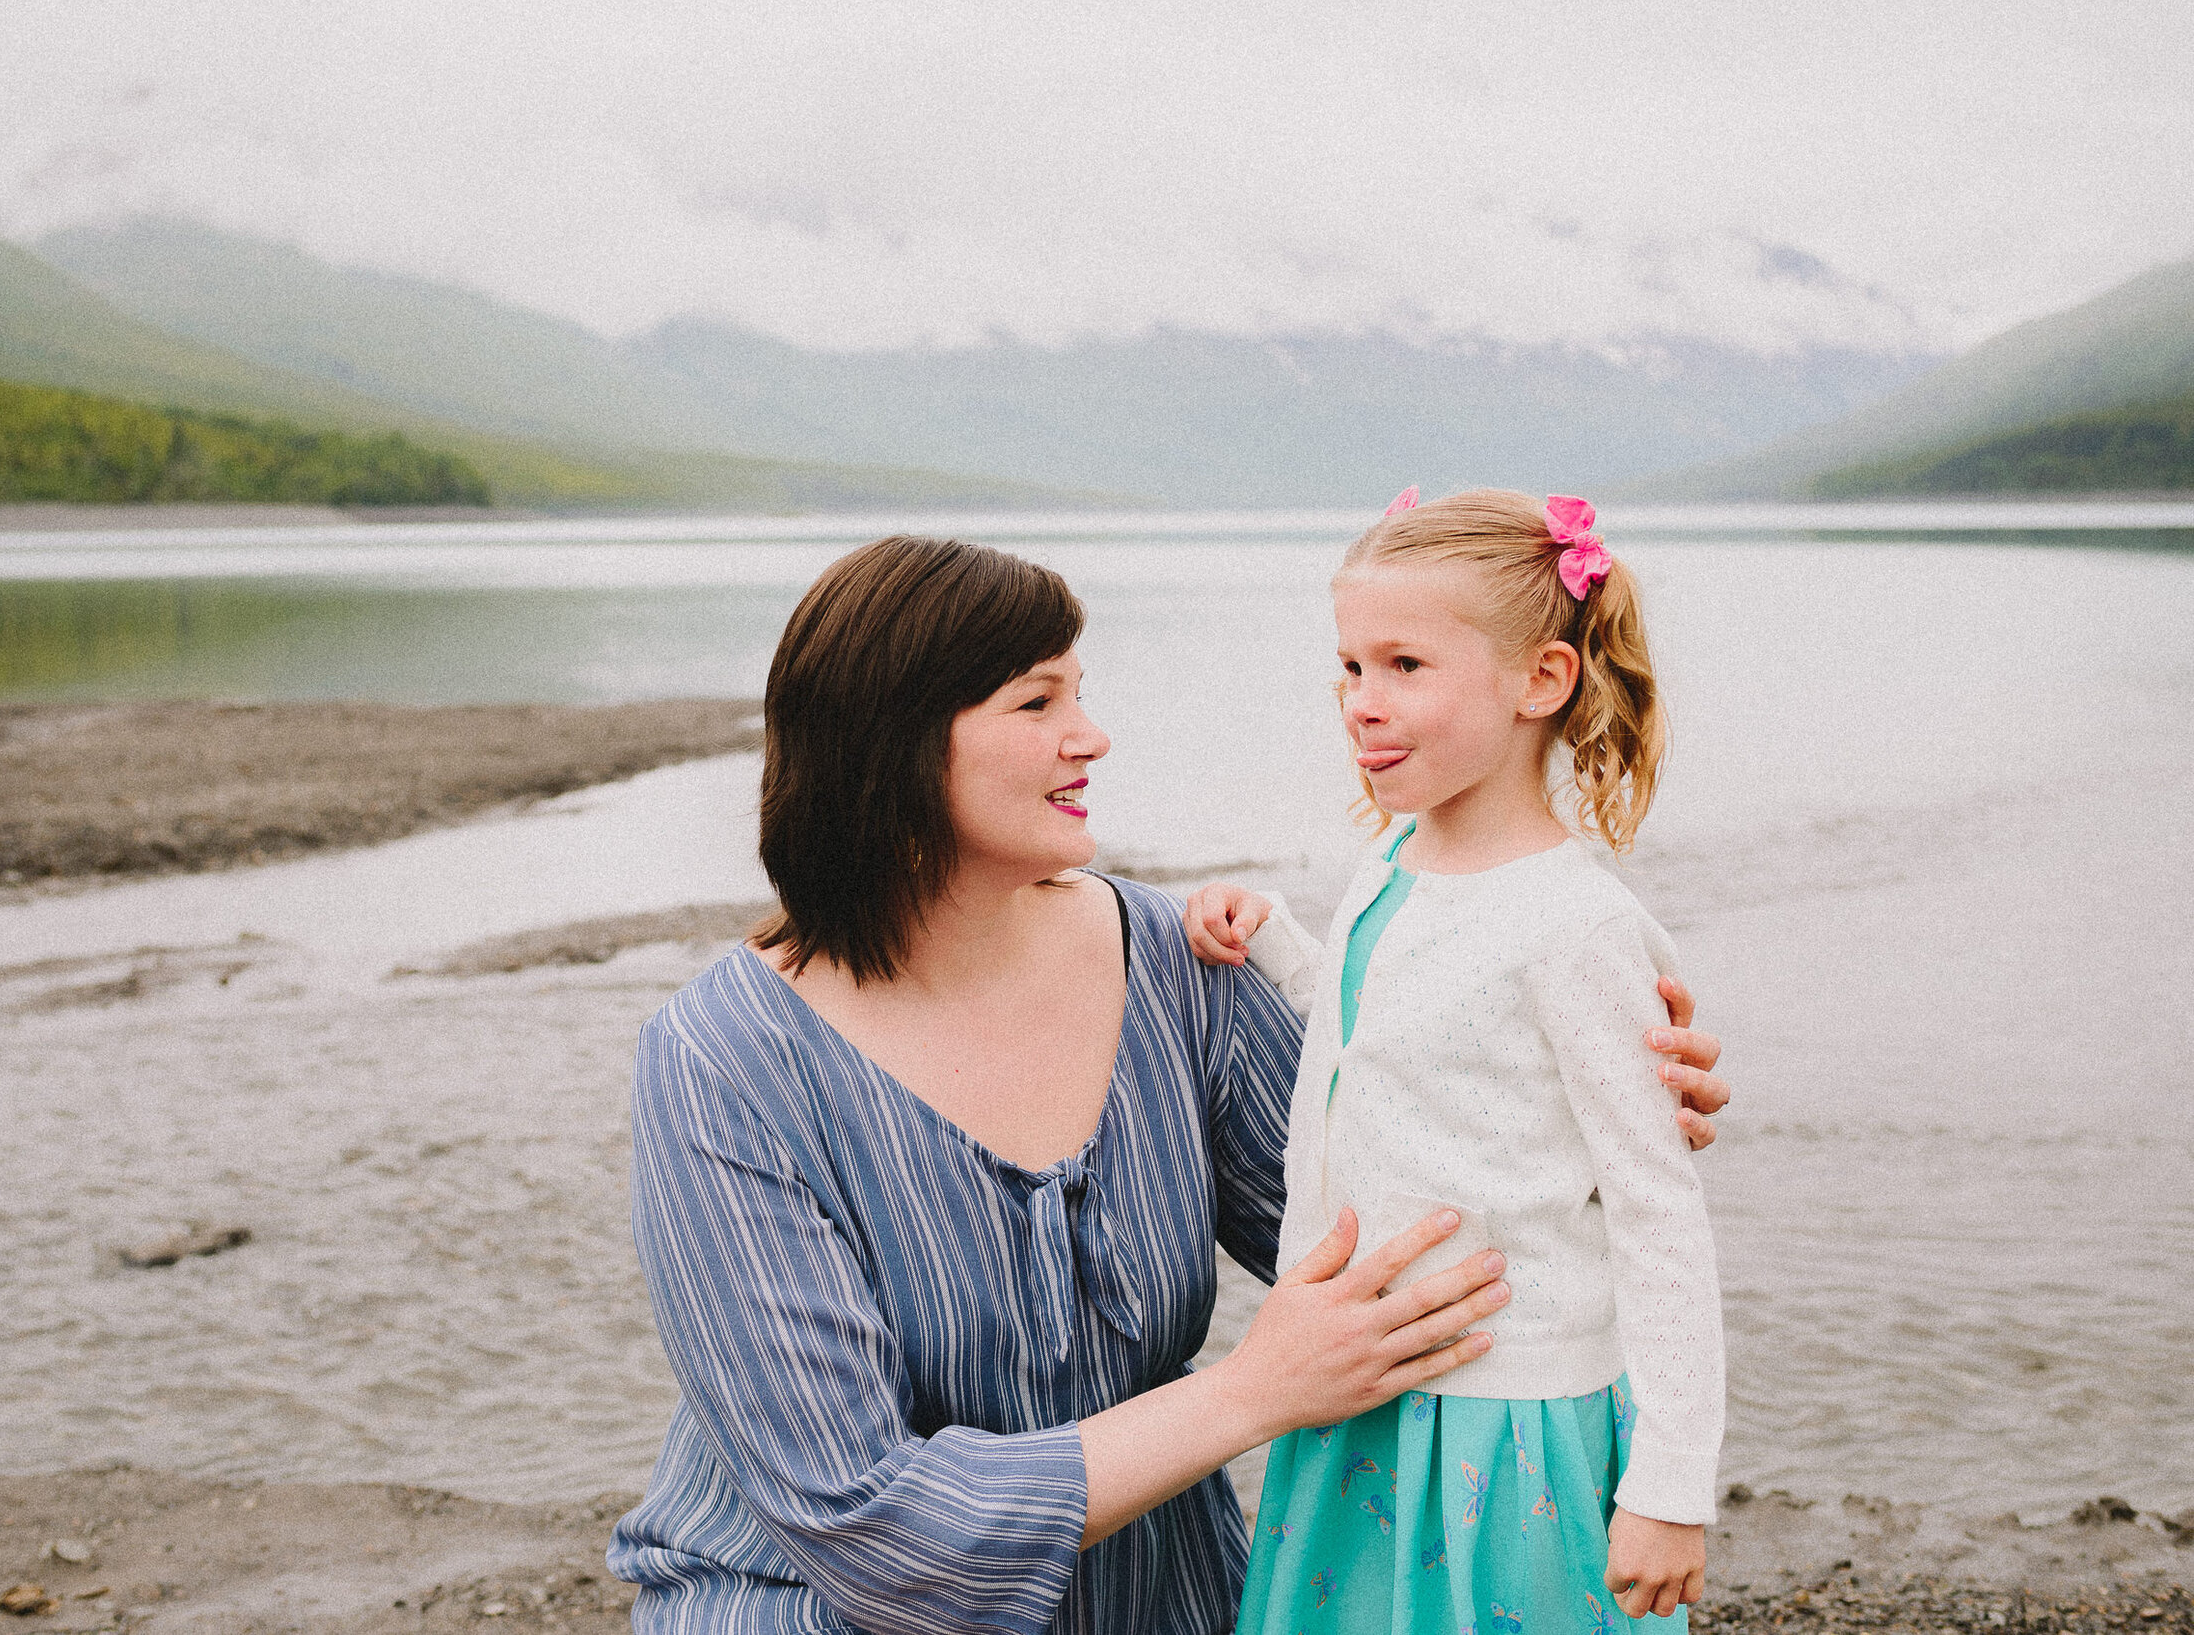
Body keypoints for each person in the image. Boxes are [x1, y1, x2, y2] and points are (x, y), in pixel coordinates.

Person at [606, 533, 1729, 1634]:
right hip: (819, 1609)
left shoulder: (1180, 967)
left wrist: (1577, 1108)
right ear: (890, 743)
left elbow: (1388, 1219)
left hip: (1153, 1594)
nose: (1091, 737)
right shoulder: (722, 1063)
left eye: (1079, 695)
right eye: (1037, 703)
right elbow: (864, 1529)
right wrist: (1254, 1390)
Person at [1181, 488, 1720, 1635]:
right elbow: (1392, 1023)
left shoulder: (1577, 926)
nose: (1359, 704)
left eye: (1404, 665)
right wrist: (1274, 938)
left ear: (1541, 681)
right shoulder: (1393, 858)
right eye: (1350, 667)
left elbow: (1657, 1211)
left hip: (1505, 1409)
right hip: (1358, 1376)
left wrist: (1672, 1483)